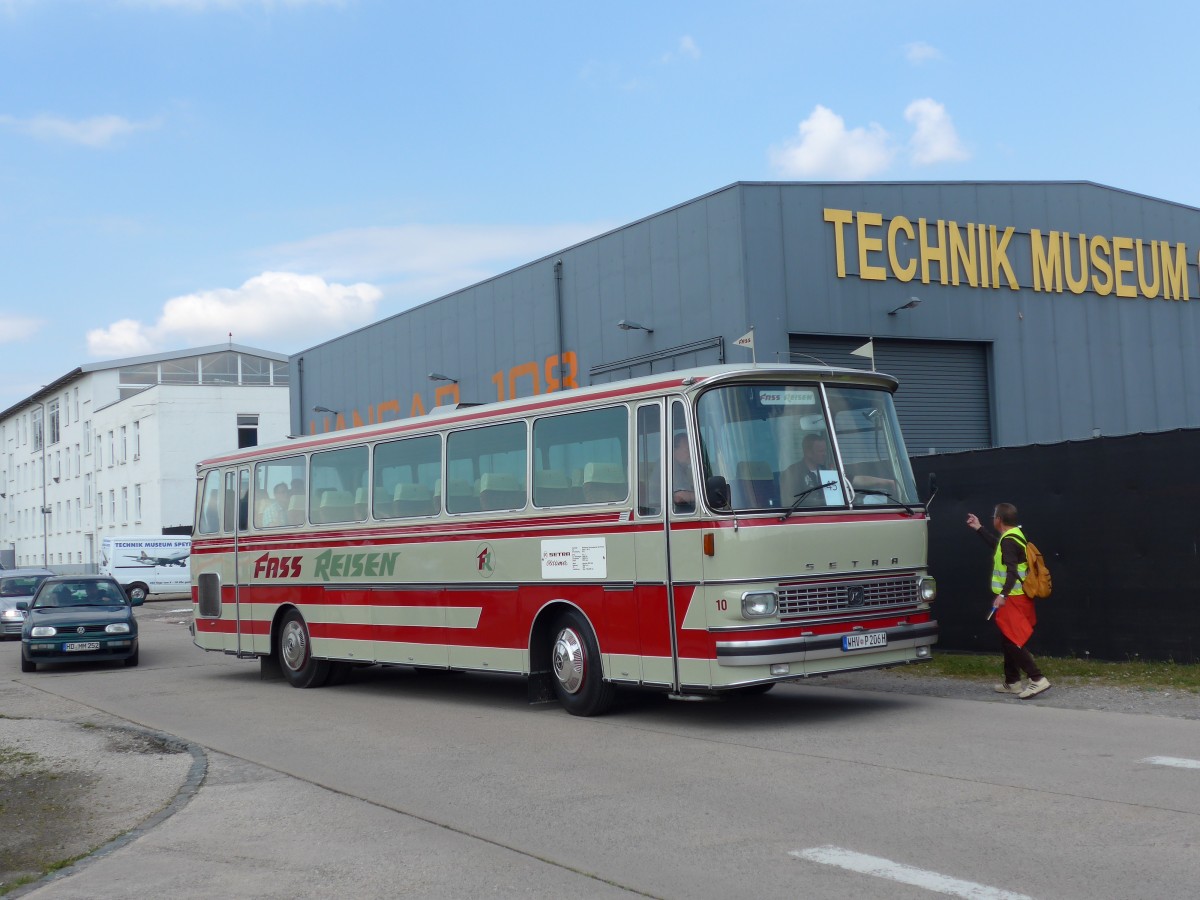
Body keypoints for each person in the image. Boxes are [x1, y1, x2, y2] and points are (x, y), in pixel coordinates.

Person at [966, 502, 1051, 699]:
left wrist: (1002, 595)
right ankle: (1012, 681)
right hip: (1019, 596)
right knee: (1008, 638)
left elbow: (1012, 571)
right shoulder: (1013, 536)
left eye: (993, 516)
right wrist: (979, 529)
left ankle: (1037, 679)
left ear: (999, 520)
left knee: (1013, 640)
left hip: (1012, 597)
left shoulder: (1009, 541)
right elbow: (1001, 549)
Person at [671, 432, 695, 513]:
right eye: (688, 449)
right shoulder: (672, 467)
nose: (691, 453)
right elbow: (678, 497)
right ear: (674, 450)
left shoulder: (681, 468)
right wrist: (702, 497)